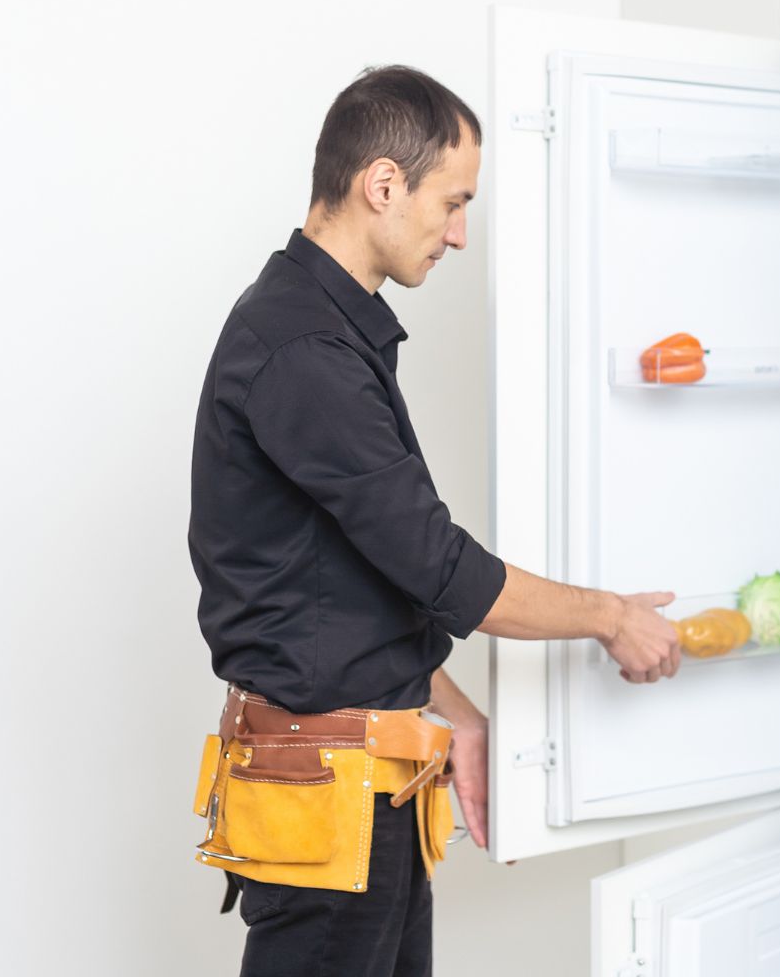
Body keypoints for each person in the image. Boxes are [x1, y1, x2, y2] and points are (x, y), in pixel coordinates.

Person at [187, 65, 683, 977]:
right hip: (330, 791)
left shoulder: (328, 328)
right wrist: (611, 617)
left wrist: (454, 712)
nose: (458, 234)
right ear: (383, 184)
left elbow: (354, 578)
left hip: (368, 776)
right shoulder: (304, 349)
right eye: (453, 203)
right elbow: (439, 565)